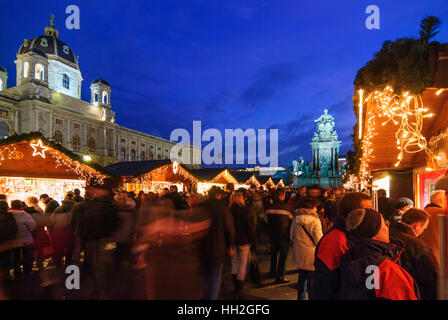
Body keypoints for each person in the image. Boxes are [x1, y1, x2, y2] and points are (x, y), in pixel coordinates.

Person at [339, 208, 419, 300]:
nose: (388, 226)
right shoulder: (385, 269)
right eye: (385, 223)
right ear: (375, 231)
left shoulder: (350, 258)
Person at [311, 192, 373, 300]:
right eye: (369, 210)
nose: (373, 214)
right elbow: (325, 284)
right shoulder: (335, 240)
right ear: (354, 214)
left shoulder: (353, 233)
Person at [71, 178, 119, 298]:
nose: (90, 191)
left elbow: (80, 225)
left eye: (91, 189)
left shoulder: (97, 205)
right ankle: (101, 289)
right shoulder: (108, 203)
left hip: (99, 239)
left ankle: (101, 290)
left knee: (100, 264)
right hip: (102, 239)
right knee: (100, 264)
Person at [389, 208, 438, 299]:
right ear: (417, 226)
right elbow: (429, 277)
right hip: (411, 292)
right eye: (424, 228)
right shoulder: (418, 245)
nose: (423, 231)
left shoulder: (387, 233)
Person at [197, 186, 235, 300]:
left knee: (204, 275)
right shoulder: (223, 208)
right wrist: (230, 245)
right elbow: (229, 229)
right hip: (218, 247)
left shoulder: (200, 207)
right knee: (215, 276)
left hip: (202, 247)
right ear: (218, 195)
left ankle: (204, 296)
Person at [290, 198, 323, 300]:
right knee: (312, 283)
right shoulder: (315, 220)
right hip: (311, 256)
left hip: (299, 254)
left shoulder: (296, 219)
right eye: (315, 207)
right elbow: (319, 240)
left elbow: (291, 236)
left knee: (302, 280)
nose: (316, 209)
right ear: (311, 207)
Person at [229, 191, 256, 299]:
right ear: (239, 199)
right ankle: (239, 288)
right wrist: (252, 240)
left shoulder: (229, 211)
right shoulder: (244, 211)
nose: (244, 200)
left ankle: (236, 287)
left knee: (234, 263)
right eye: (243, 199)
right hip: (244, 241)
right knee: (242, 265)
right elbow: (249, 227)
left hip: (232, 241)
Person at [265, 188, 294, 283]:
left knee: (273, 255)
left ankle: (272, 272)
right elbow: (292, 220)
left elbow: (265, 221)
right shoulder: (287, 207)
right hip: (284, 236)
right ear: (282, 195)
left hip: (272, 235)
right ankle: (280, 276)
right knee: (283, 256)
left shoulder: (268, 207)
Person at [9, 200, 36, 278]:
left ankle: (16, 271)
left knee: (16, 256)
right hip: (25, 238)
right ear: (20, 205)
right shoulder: (24, 214)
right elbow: (32, 225)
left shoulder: (8, 215)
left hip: (13, 239)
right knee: (27, 255)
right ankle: (27, 271)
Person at [50, 193, 76, 268]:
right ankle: (68, 261)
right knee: (69, 247)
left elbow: (52, 219)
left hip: (59, 230)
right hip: (70, 230)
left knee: (59, 246)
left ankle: (58, 261)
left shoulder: (58, 209)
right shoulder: (75, 209)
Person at [421, 190, 446, 265]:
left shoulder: (421, 212)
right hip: (439, 258)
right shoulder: (443, 214)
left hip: (422, 255)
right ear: (442, 200)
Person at [24, 196, 50, 271]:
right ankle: (40, 263)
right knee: (40, 248)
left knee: (32, 249)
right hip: (40, 231)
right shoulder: (39, 209)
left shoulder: (28, 212)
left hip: (32, 232)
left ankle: (33, 264)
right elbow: (43, 221)